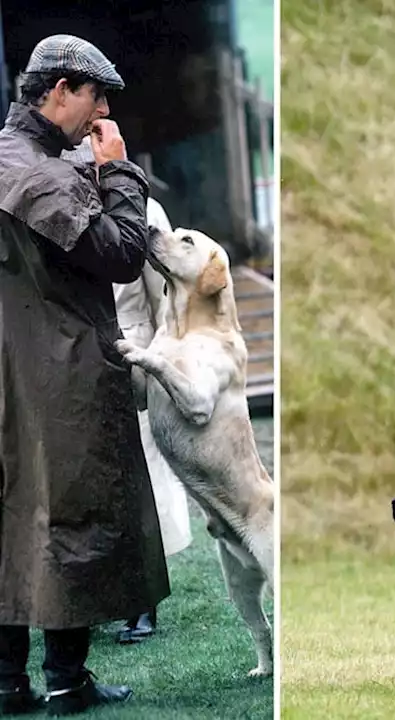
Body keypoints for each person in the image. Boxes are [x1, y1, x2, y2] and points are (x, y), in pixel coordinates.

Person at [0, 34, 170, 715]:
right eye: (96, 95)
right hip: (61, 374)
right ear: (62, 88)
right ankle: (67, 680)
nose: (101, 111)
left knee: (12, 522)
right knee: (70, 520)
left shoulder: (15, 158)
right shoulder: (40, 174)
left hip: (11, 373)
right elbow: (125, 253)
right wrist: (120, 171)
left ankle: (9, 684)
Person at [60, 140, 195, 646]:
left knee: (142, 480)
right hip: (76, 356)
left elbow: (163, 290)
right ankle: (89, 598)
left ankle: (143, 602)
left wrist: (164, 356)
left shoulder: (142, 205)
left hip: (135, 350)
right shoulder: (56, 197)